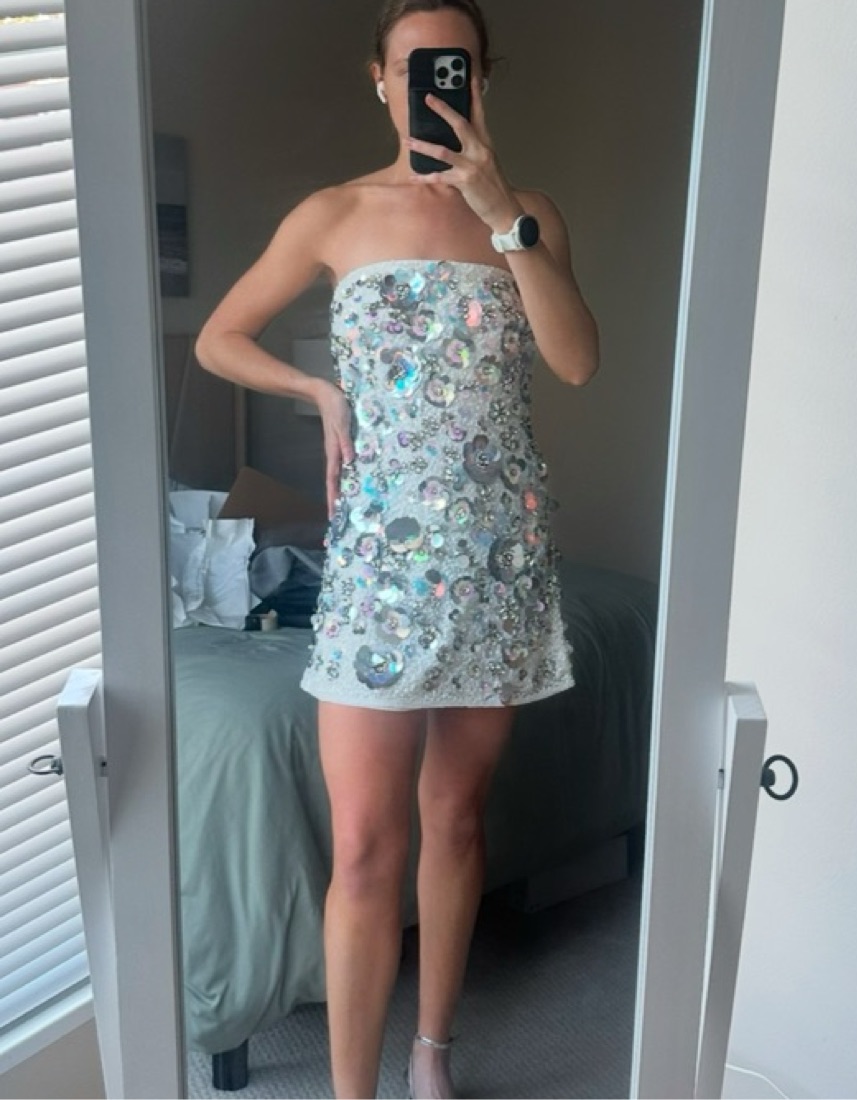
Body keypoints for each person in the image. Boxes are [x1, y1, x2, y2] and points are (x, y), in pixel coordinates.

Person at [195, 1, 599, 1095]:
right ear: (380, 78)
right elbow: (219, 336)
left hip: (497, 563)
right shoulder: (332, 214)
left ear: (481, 78)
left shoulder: (529, 214)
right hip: (378, 567)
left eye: (453, 64)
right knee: (367, 845)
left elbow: (574, 361)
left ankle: (431, 1053)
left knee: (455, 819)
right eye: (414, 65)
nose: (433, 82)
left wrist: (499, 212)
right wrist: (317, 390)